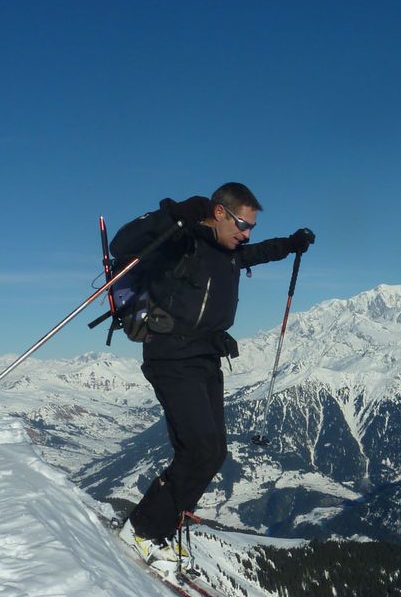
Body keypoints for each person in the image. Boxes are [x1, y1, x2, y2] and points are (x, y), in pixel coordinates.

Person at [110, 182, 314, 562]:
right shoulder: (182, 240)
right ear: (220, 212)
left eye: (251, 226)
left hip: (206, 357)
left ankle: (159, 528)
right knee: (200, 449)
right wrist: (171, 214)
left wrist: (291, 243)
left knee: (212, 451)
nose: (247, 233)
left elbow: (259, 252)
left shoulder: (231, 252)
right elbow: (122, 244)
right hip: (171, 356)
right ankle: (142, 530)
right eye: (243, 224)